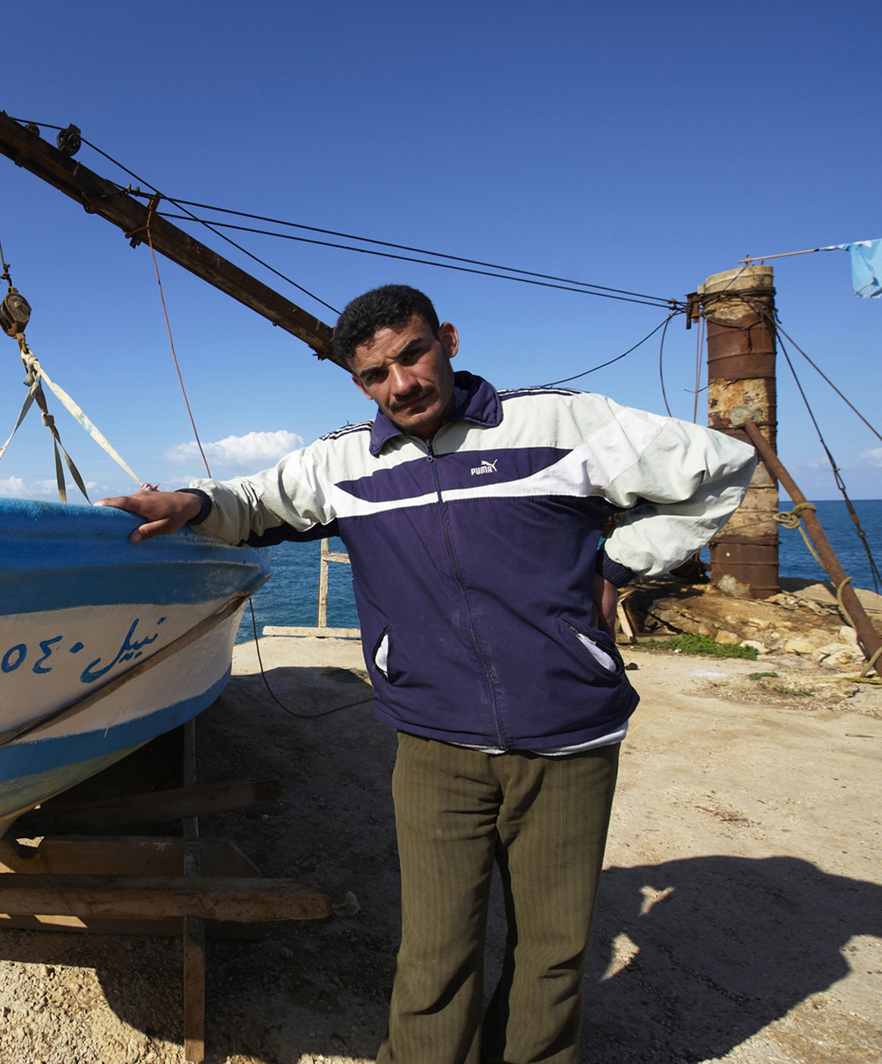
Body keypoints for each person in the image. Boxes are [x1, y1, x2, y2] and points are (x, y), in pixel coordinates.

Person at [101, 284, 757, 1064]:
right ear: (358, 384)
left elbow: (722, 468)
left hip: (569, 734)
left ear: (447, 339)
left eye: (413, 355)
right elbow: (252, 501)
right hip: (435, 740)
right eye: (376, 374)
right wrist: (187, 500)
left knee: (552, 951)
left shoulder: (563, 423)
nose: (402, 384)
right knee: (435, 952)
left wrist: (618, 566)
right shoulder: (345, 462)